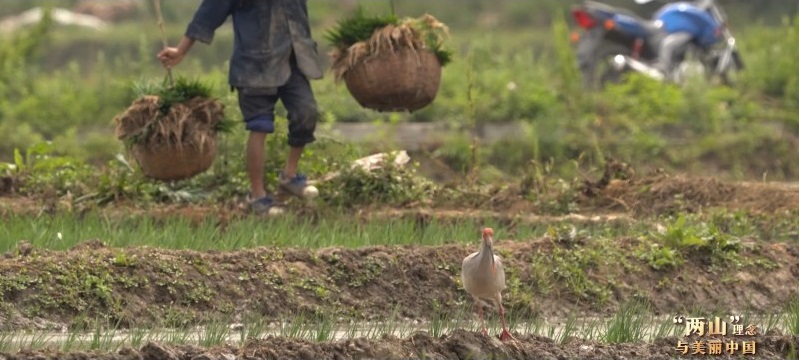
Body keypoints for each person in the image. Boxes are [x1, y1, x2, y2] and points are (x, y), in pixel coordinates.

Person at [157, 0, 324, 214]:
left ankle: (290, 176)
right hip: (255, 66)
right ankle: (258, 196)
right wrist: (181, 50)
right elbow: (209, 12)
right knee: (260, 126)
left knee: (306, 113)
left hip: (294, 59)